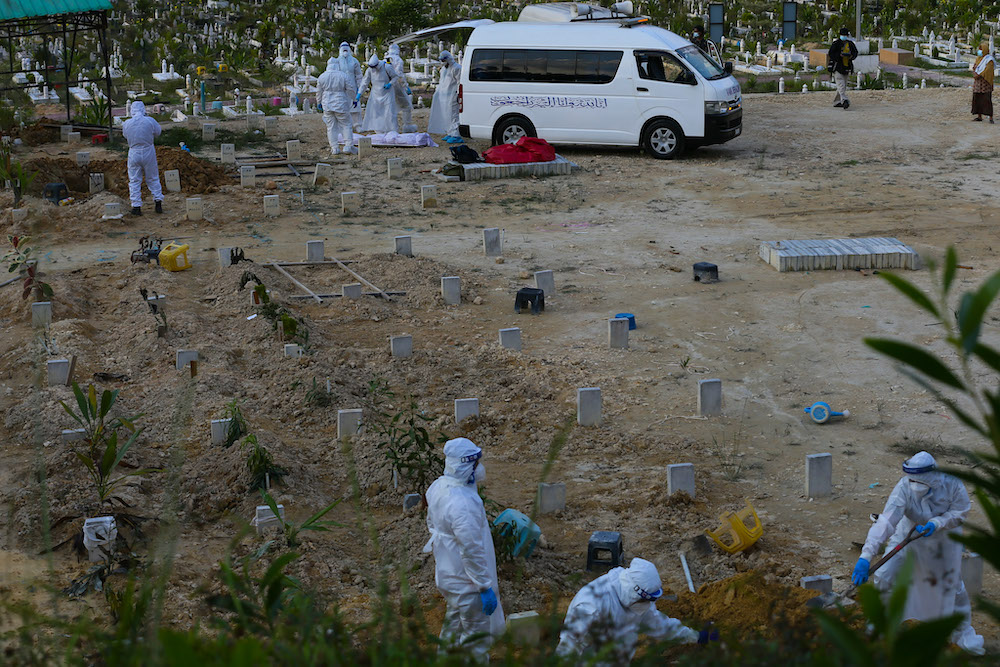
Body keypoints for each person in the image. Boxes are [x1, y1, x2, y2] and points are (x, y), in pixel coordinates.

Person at [852, 452, 984, 655]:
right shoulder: (904, 487)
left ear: (931, 477)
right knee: (885, 574)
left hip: (943, 541)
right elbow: (886, 522)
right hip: (907, 537)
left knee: (952, 587)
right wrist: (865, 556)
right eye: (911, 479)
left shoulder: (952, 484)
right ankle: (880, 622)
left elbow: (961, 511)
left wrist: (937, 523)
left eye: (917, 480)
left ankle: (963, 634)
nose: (913, 484)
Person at [424, 438, 503, 662]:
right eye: (476, 463)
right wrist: (484, 586)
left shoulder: (439, 487)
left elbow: (432, 524)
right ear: (466, 466)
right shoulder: (462, 504)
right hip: (468, 584)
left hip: (450, 577)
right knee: (476, 641)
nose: (480, 468)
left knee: (453, 628)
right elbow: (471, 550)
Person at [556, 557, 701, 663]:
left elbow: (660, 625)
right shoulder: (592, 606)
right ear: (634, 591)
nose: (646, 604)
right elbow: (569, 645)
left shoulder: (636, 600)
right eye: (645, 600)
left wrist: (695, 636)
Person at [121, 100, 164, 216]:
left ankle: (136, 206)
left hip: (134, 152)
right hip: (148, 150)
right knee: (153, 177)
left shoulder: (127, 123)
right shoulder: (150, 121)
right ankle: (158, 202)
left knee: (134, 180)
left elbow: (125, 135)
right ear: (143, 109)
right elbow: (158, 132)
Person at [316, 58, 355, 155]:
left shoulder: (322, 76)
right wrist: (354, 99)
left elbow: (319, 91)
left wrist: (319, 102)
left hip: (327, 103)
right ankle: (348, 145)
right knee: (346, 124)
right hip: (340, 102)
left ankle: (334, 148)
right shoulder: (343, 75)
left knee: (331, 127)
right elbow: (350, 89)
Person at [356, 55, 399, 133]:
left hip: (387, 93)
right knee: (376, 113)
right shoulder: (369, 70)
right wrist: (359, 93)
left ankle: (392, 130)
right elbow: (365, 82)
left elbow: (395, 77)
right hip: (375, 93)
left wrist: (390, 84)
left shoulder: (387, 67)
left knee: (389, 112)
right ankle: (379, 130)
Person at [428, 51, 463, 143]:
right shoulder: (444, 69)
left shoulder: (457, 68)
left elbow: (460, 82)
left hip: (453, 95)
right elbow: (442, 82)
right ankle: (449, 132)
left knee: (453, 115)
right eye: (441, 60)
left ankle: (456, 135)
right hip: (444, 96)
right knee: (446, 115)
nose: (442, 62)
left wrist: (459, 94)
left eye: (444, 60)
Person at [386, 43, 417, 133]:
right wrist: (405, 86)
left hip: (387, 86)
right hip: (397, 85)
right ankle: (407, 126)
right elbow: (399, 74)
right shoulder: (398, 60)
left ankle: (392, 127)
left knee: (391, 106)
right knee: (406, 105)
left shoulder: (386, 59)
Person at [827, 28, 858, 110]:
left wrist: (851, 56)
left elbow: (855, 53)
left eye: (845, 35)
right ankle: (845, 101)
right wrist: (839, 56)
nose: (844, 36)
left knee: (842, 87)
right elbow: (831, 54)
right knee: (841, 85)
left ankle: (836, 102)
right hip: (837, 68)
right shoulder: (836, 44)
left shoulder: (850, 44)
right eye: (842, 35)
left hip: (846, 67)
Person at [337, 42, 364, 131]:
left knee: (355, 106)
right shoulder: (337, 61)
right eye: (343, 48)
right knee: (342, 107)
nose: (345, 50)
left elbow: (359, 75)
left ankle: (357, 125)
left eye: (346, 48)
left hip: (353, 86)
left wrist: (360, 87)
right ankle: (344, 126)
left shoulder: (354, 61)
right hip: (342, 88)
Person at [971, 43, 995, 123]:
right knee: (977, 98)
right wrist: (975, 73)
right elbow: (975, 67)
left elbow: (988, 70)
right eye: (979, 49)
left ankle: (990, 117)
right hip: (978, 84)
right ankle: (979, 116)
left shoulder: (989, 60)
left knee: (986, 99)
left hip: (985, 83)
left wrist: (979, 75)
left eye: (981, 49)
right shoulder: (978, 58)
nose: (980, 51)